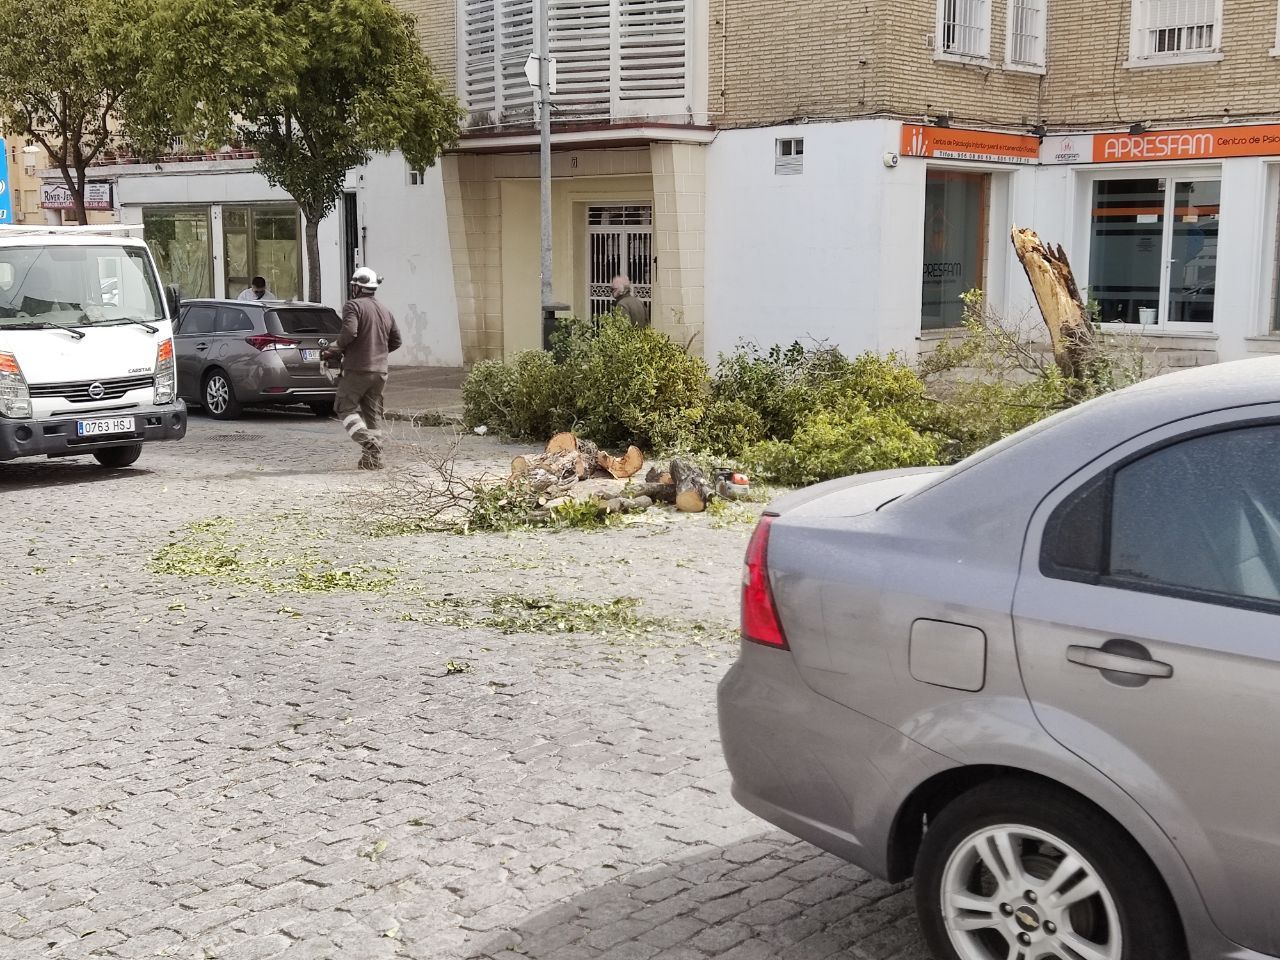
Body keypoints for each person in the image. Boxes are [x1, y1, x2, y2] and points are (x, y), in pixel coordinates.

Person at [324, 266, 402, 470]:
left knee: (344, 408)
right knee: (372, 414)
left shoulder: (353, 306)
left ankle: (369, 442)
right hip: (380, 371)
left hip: (358, 369)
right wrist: (378, 352)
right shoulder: (385, 310)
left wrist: (336, 348)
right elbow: (396, 341)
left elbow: (349, 331)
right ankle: (372, 461)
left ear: (357, 287)